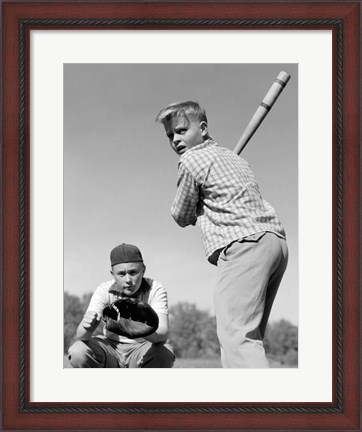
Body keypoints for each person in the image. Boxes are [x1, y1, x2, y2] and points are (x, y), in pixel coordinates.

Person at [156, 100, 288, 368]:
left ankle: (266, 407)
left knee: (236, 337)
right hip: (274, 242)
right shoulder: (235, 158)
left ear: (203, 129)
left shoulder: (191, 160)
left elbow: (181, 215)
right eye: (170, 135)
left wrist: (196, 207)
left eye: (181, 131)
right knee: (244, 338)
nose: (175, 139)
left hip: (243, 246)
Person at [68, 243, 175, 368]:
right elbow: (81, 335)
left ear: (143, 269)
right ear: (112, 273)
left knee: (164, 353)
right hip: (110, 348)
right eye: (121, 274)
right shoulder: (103, 289)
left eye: (133, 272)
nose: (128, 280)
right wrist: (88, 328)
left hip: (142, 348)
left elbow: (162, 335)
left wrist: (137, 329)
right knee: (78, 351)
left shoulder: (155, 288)